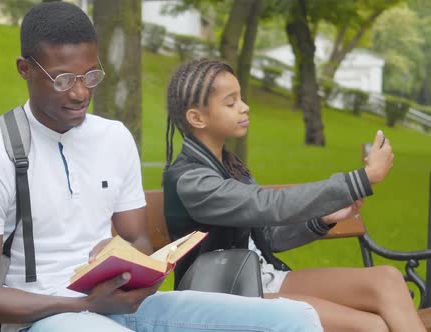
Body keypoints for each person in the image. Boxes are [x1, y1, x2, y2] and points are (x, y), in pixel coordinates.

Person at [0, 3, 328, 332]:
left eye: (90, 76)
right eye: (63, 79)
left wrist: (120, 256)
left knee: (294, 320)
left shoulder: (113, 139)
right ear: (25, 69)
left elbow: (139, 242)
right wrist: (85, 305)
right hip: (43, 317)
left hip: (121, 305)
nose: (80, 93)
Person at [162, 59, 426, 332]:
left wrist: (322, 219)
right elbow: (268, 204)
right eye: (231, 103)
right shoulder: (191, 181)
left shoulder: (230, 166)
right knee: (371, 326)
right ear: (197, 118)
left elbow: (268, 236)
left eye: (241, 98)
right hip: (225, 296)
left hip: (265, 280)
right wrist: (362, 180)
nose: (244, 107)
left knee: (387, 279)